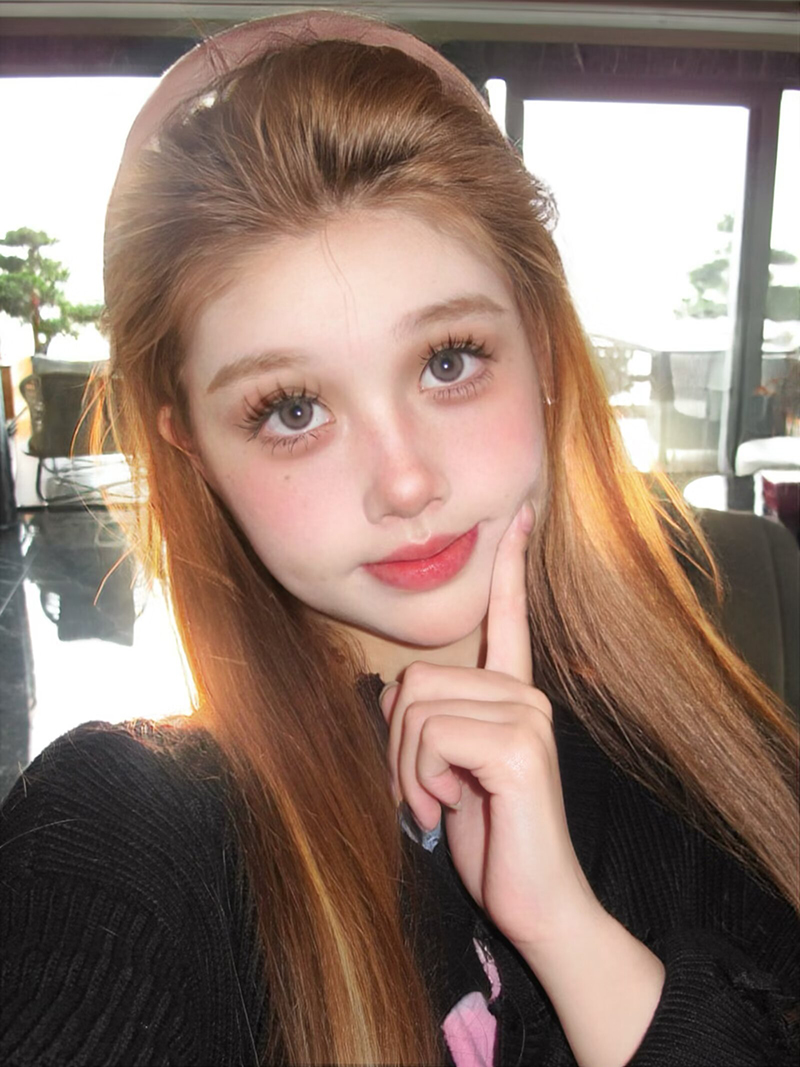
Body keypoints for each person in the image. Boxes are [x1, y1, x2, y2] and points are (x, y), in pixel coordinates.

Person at [1, 10, 797, 1067]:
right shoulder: (117, 840)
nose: (406, 480)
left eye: (447, 360)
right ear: (191, 445)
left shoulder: (716, 756)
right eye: (292, 409)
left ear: (541, 344)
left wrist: (568, 933)